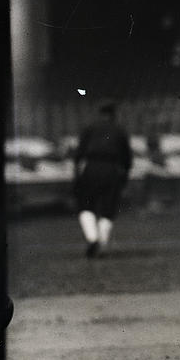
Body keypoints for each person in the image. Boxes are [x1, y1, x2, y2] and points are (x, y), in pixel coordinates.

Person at [74, 101, 133, 257]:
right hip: (111, 169)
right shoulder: (120, 131)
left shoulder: (89, 129)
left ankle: (92, 238)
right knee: (109, 207)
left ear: (99, 113)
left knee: (86, 206)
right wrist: (125, 176)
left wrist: (77, 175)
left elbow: (78, 154)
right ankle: (101, 240)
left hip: (91, 168)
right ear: (114, 114)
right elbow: (127, 158)